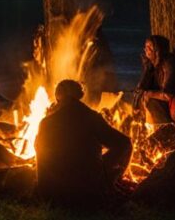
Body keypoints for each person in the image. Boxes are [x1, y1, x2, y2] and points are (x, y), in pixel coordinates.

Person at [35, 79, 131, 207]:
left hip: (51, 194)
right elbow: (123, 143)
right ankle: (110, 184)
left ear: (58, 96)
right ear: (80, 95)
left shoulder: (45, 122)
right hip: (86, 192)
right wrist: (106, 167)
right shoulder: (91, 117)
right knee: (125, 145)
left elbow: (39, 153)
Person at [134, 35, 175, 124]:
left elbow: (168, 95)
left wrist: (149, 94)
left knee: (151, 101)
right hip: (165, 104)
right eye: (145, 47)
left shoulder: (169, 64)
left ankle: (162, 129)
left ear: (157, 50)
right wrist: (147, 68)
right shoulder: (153, 66)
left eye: (149, 47)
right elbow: (140, 89)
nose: (146, 50)